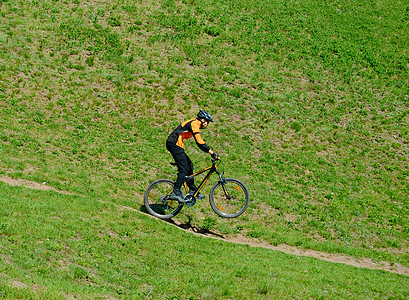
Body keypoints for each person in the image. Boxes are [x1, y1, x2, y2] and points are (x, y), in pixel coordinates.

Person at [166, 110, 219, 202]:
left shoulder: (195, 124)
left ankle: (192, 190)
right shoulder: (194, 124)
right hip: (173, 144)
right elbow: (199, 141)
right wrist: (211, 152)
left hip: (177, 145)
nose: (207, 125)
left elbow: (199, 143)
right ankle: (176, 190)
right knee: (183, 168)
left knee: (189, 165)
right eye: (207, 122)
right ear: (202, 120)